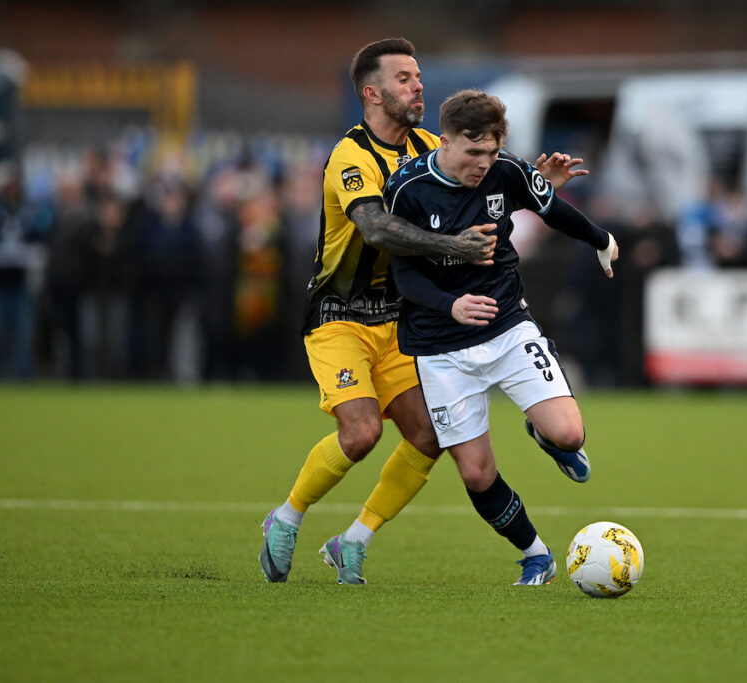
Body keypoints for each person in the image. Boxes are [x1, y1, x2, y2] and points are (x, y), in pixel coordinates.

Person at [259, 38, 584, 585]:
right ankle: (287, 517)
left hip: (401, 319)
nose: (418, 85)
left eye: (418, 76)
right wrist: (453, 247)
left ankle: (354, 542)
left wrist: (539, 188)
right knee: (361, 434)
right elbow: (375, 227)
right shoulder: (350, 156)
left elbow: (491, 176)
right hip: (340, 314)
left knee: (429, 439)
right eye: (405, 78)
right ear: (372, 92)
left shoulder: (433, 145)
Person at [383, 89, 618, 584]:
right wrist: (451, 304)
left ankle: (542, 431)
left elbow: (550, 206)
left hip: (509, 328)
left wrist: (601, 239)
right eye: (473, 153)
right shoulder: (407, 190)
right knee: (475, 473)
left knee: (569, 433)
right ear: (443, 141)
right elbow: (404, 277)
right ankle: (536, 555)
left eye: (491, 152)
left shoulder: (507, 170)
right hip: (441, 347)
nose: (483, 163)